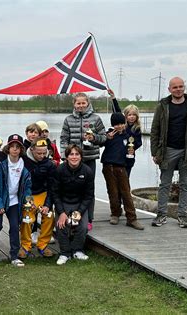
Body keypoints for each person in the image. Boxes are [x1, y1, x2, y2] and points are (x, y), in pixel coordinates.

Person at [150, 77, 187, 228]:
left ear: (184, 87)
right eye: (175, 87)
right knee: (164, 185)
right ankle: (161, 215)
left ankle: (183, 217)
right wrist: (154, 152)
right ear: (169, 89)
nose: (178, 89)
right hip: (167, 150)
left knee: (185, 185)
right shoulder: (163, 106)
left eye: (181, 86)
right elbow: (155, 130)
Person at [60, 93, 106, 231]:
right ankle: (70, 215)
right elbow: (63, 139)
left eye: (83, 103)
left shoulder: (96, 118)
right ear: (74, 104)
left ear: (88, 103)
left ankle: (89, 218)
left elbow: (104, 138)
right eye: (78, 103)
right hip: (72, 161)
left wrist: (93, 138)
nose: (80, 106)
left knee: (88, 191)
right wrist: (64, 155)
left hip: (89, 159)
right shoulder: (68, 119)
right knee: (70, 188)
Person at [0, 134, 32, 267]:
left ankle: (14, 256)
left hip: (15, 201)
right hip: (0, 200)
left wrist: (28, 200)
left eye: (18, 147)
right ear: (8, 147)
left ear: (21, 149)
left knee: (14, 227)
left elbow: (28, 186)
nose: (15, 149)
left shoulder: (25, 164)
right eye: (12, 146)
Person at [101, 113, 144, 230]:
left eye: (121, 124)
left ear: (124, 123)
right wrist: (106, 137)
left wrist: (131, 157)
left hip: (122, 167)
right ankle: (115, 213)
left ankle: (132, 218)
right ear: (112, 125)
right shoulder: (108, 135)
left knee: (126, 193)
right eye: (116, 124)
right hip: (108, 166)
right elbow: (98, 142)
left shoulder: (129, 137)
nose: (119, 126)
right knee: (113, 192)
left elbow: (132, 152)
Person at [52, 145, 94, 265]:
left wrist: (79, 212)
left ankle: (77, 250)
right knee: (61, 225)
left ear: (81, 157)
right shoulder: (59, 170)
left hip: (80, 204)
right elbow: (55, 193)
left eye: (77, 154)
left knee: (83, 227)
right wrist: (61, 212)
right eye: (71, 154)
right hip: (64, 203)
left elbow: (89, 195)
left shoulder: (87, 171)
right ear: (67, 156)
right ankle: (65, 253)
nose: (74, 157)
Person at [20, 138, 57, 259]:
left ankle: (43, 244)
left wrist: (47, 205)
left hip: (43, 194)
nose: (42, 156)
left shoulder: (50, 165)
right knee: (27, 218)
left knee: (49, 216)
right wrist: (28, 201)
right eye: (39, 153)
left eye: (44, 153)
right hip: (28, 194)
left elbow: (52, 187)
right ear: (31, 150)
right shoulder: (23, 161)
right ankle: (25, 245)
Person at [108, 89, 142, 176]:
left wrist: (131, 148)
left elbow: (139, 143)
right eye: (129, 115)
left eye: (134, 115)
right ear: (125, 116)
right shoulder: (122, 126)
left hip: (128, 157)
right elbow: (117, 111)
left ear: (137, 116)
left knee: (126, 179)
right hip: (118, 157)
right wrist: (113, 98)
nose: (132, 117)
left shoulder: (137, 128)